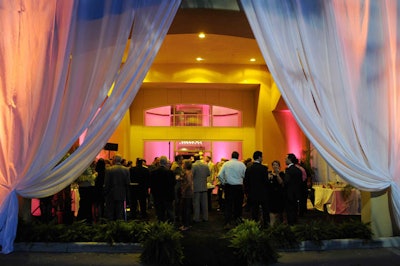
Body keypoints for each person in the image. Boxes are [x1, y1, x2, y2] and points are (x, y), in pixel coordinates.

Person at [218, 151, 246, 228]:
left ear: (231, 156)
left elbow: (219, 175)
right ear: (238, 156)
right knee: (238, 204)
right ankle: (238, 220)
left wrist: (224, 182)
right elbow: (244, 175)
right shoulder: (242, 164)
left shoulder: (226, 164)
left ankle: (228, 222)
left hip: (229, 186)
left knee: (228, 205)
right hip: (239, 187)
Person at [244, 151, 270, 227]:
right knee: (265, 210)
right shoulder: (264, 168)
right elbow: (266, 182)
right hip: (263, 193)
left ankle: (255, 225)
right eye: (262, 157)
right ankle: (266, 225)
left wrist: (247, 192)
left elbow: (246, 182)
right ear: (259, 157)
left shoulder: (249, 168)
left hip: (253, 193)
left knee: (254, 211)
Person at [149, 155, 176, 222]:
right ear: (166, 163)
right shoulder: (169, 172)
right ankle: (170, 226)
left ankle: (160, 225)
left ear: (159, 163)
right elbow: (173, 183)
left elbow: (151, 184)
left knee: (159, 212)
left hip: (157, 195)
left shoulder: (153, 172)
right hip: (167, 195)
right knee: (169, 211)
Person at [104, 154, 130, 221]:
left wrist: (105, 193)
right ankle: (119, 227)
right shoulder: (126, 170)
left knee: (110, 212)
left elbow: (107, 183)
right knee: (120, 212)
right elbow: (127, 183)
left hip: (111, 193)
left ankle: (111, 227)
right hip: (121, 193)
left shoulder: (109, 169)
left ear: (114, 160)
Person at [284, 153, 303, 225]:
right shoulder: (298, 170)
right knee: (295, 211)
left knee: (289, 212)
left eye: (286, 158)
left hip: (289, 194)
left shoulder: (288, 170)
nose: (285, 160)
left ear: (290, 159)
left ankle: (291, 225)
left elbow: (286, 182)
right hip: (296, 194)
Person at [192, 154, 211, 222]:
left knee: (196, 204)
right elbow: (208, 174)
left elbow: (191, 175)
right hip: (204, 186)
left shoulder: (193, 166)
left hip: (196, 187)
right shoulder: (205, 165)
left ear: (194, 159)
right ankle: (205, 217)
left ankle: (196, 218)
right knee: (204, 204)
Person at [268, 160, 285, 224]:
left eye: (276, 165)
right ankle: (272, 225)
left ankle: (280, 225)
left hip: (279, 195)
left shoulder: (282, 174)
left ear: (279, 166)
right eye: (274, 165)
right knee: (271, 210)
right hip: (272, 195)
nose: (275, 166)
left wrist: (277, 175)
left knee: (280, 211)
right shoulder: (270, 174)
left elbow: (281, 183)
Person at [180, 159, 194, 231]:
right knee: (187, 209)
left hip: (187, 193)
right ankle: (187, 224)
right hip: (189, 192)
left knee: (185, 209)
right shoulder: (188, 172)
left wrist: (183, 190)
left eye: (183, 163)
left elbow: (188, 183)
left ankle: (186, 225)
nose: (182, 164)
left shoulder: (187, 173)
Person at [171, 154, 184, 222]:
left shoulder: (175, 165)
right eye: (181, 159)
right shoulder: (176, 167)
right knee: (177, 201)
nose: (182, 160)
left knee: (177, 201)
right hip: (177, 185)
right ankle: (176, 216)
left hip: (176, 185)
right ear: (178, 159)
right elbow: (179, 176)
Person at [94, 158, 106, 222]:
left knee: (96, 203)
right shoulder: (105, 171)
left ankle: (96, 215)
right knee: (102, 203)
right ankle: (102, 216)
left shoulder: (96, 171)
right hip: (102, 188)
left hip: (96, 188)